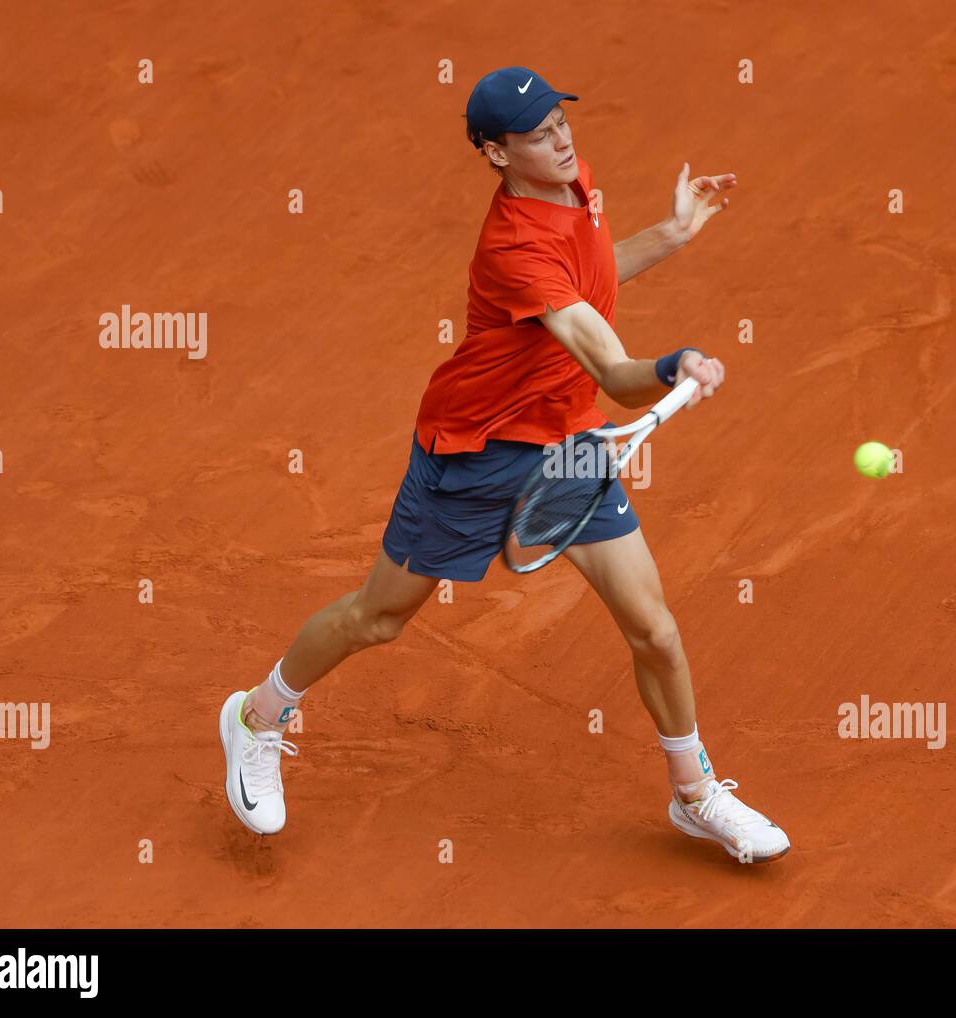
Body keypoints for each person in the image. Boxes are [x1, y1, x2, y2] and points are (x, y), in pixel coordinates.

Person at [219, 66, 790, 864]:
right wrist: (678, 363)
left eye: (562, 122)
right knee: (379, 618)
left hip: (563, 445)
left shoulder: (574, 182)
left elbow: (589, 281)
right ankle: (257, 715)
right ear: (495, 152)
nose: (561, 139)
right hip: (473, 450)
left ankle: (695, 795)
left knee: (654, 630)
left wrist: (673, 232)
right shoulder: (513, 247)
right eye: (538, 133)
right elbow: (617, 375)